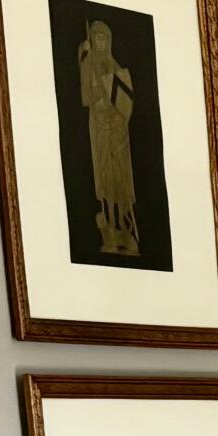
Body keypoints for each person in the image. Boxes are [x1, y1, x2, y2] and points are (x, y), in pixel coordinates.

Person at [78, 17, 140, 257]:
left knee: (121, 182)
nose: (101, 43)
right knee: (105, 180)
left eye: (104, 38)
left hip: (117, 132)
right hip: (101, 131)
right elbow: (86, 99)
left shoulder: (116, 68)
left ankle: (126, 230)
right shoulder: (89, 66)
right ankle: (111, 230)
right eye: (97, 39)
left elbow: (124, 103)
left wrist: (116, 116)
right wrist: (83, 61)